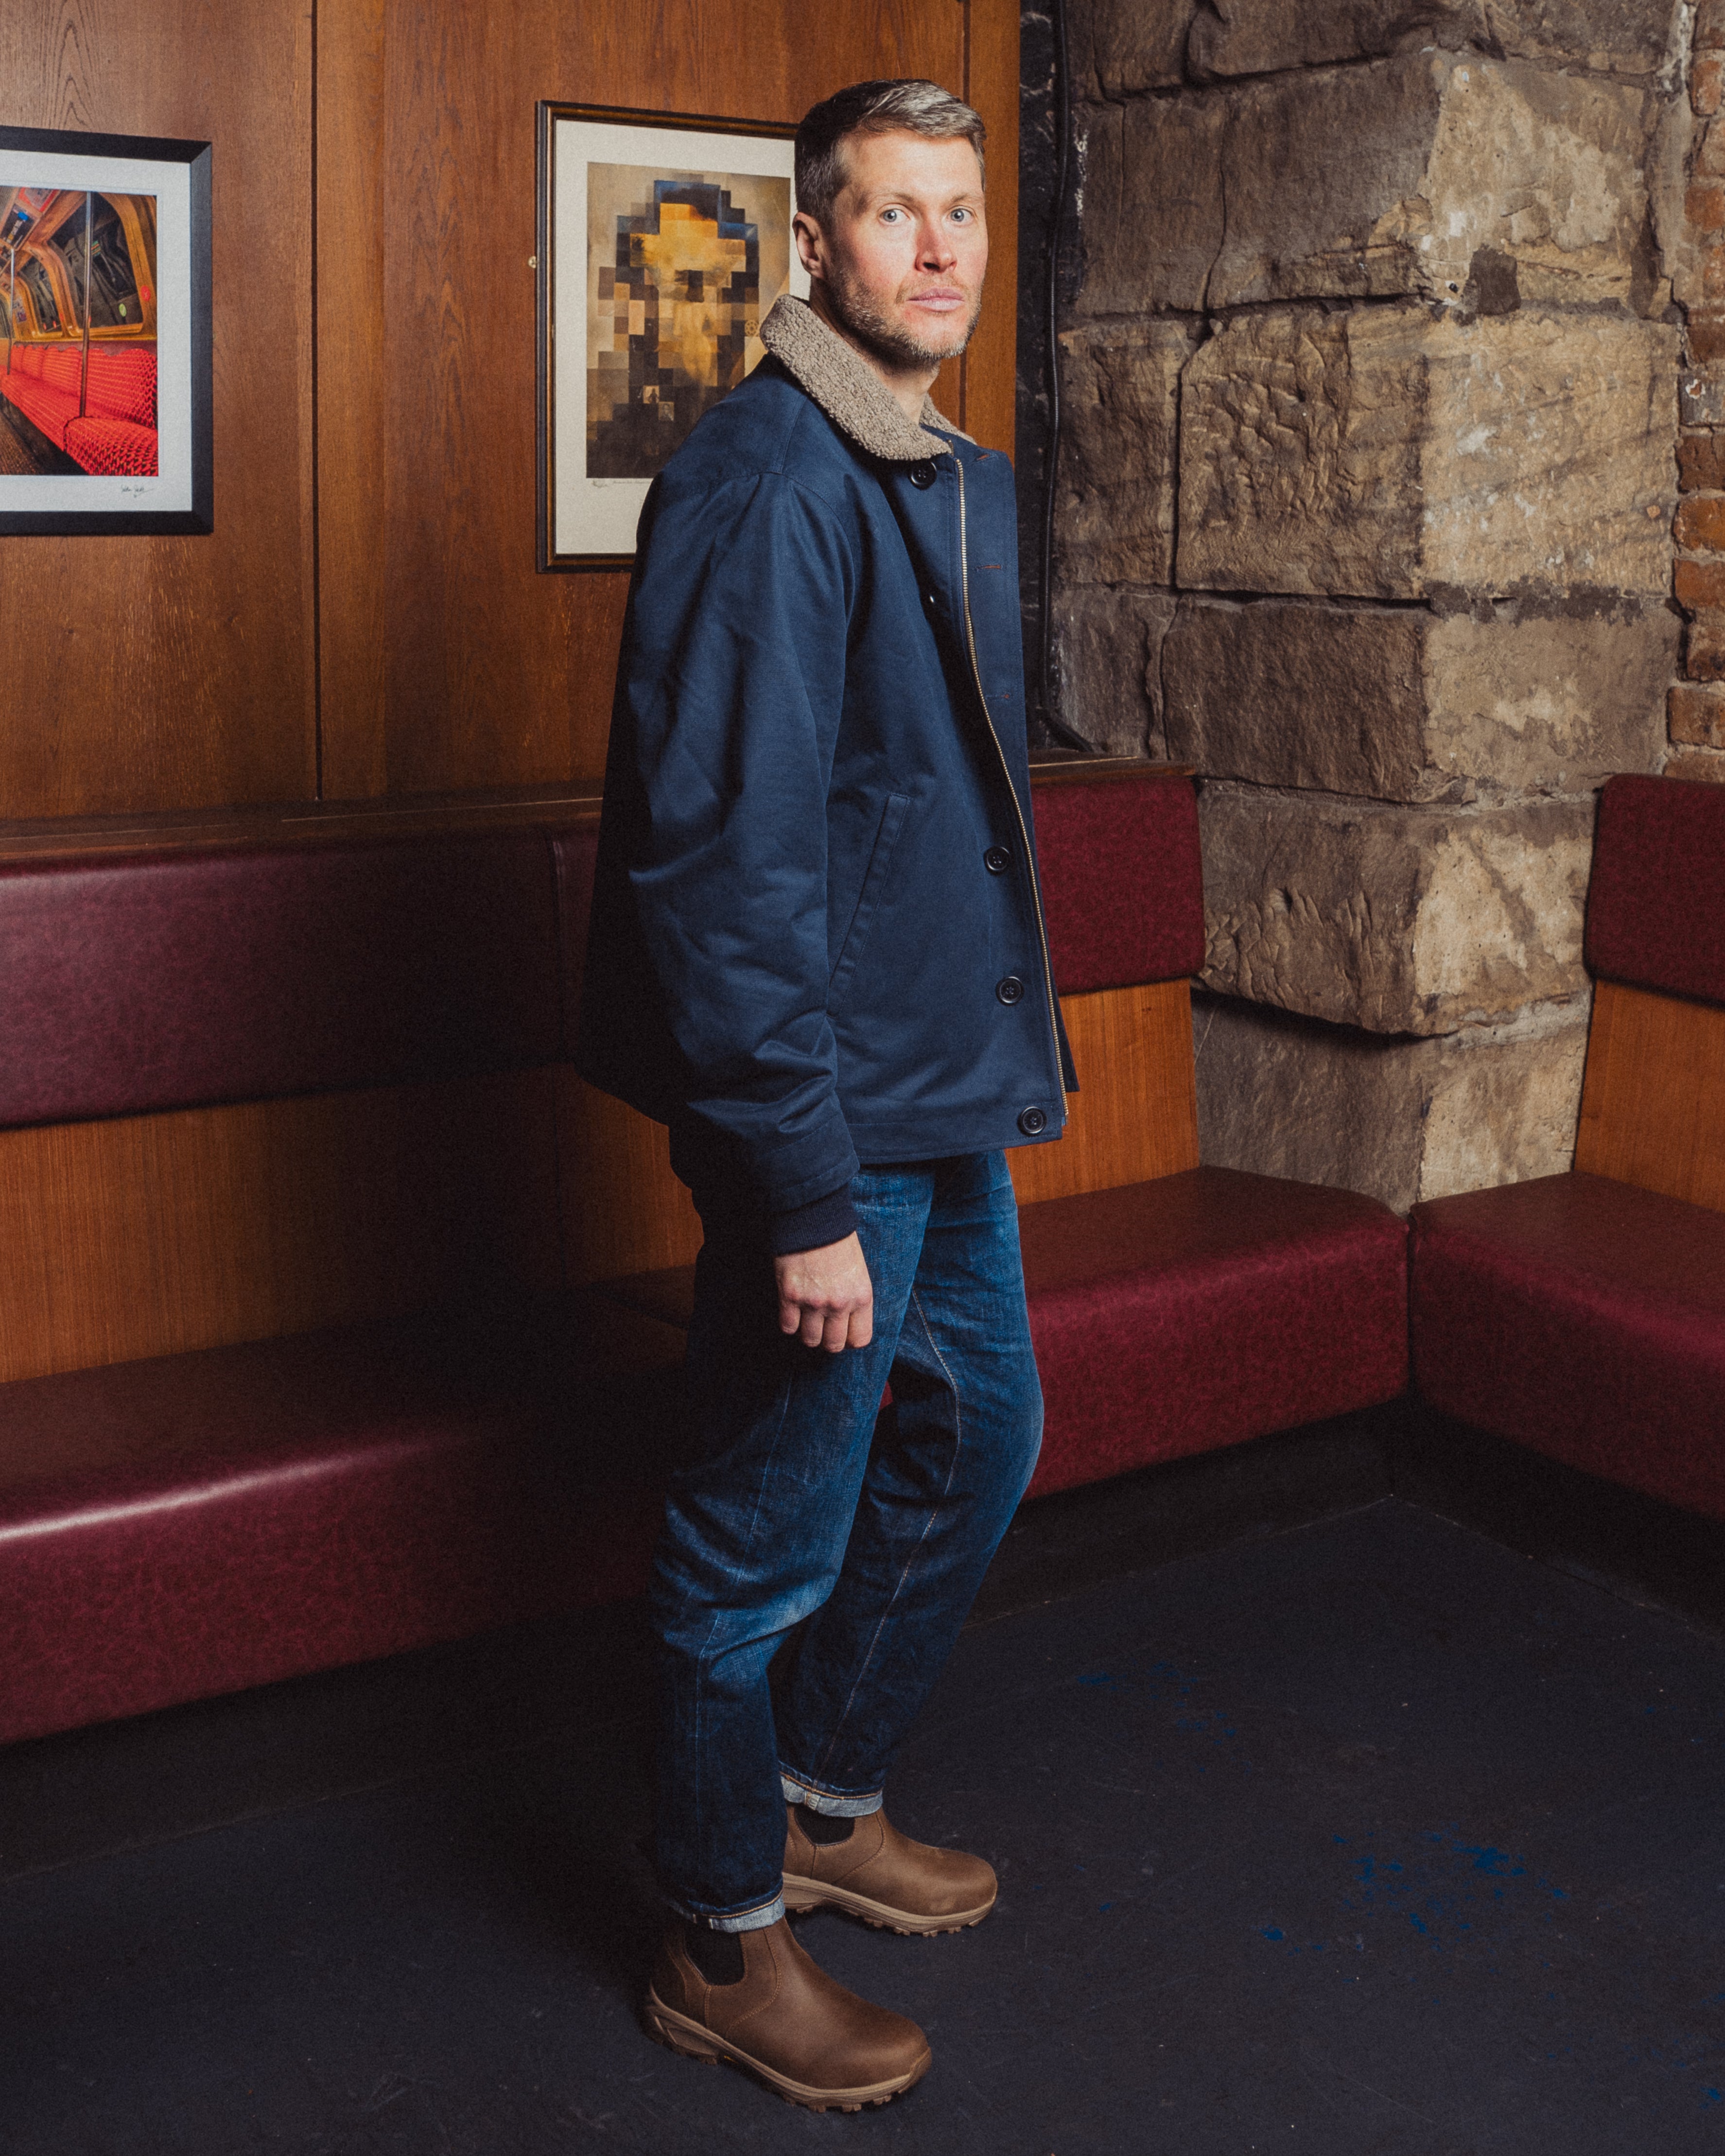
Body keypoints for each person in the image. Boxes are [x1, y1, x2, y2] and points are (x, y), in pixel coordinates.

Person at [579, 75, 1074, 2114]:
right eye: (895, 212)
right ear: (814, 243)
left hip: (932, 1089)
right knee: (756, 1544)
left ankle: (813, 1799)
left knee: (985, 1436)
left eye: (963, 210)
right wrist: (795, 1187)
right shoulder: (770, 477)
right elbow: (722, 867)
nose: (942, 247)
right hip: (832, 1121)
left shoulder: (925, 465)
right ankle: (717, 1930)